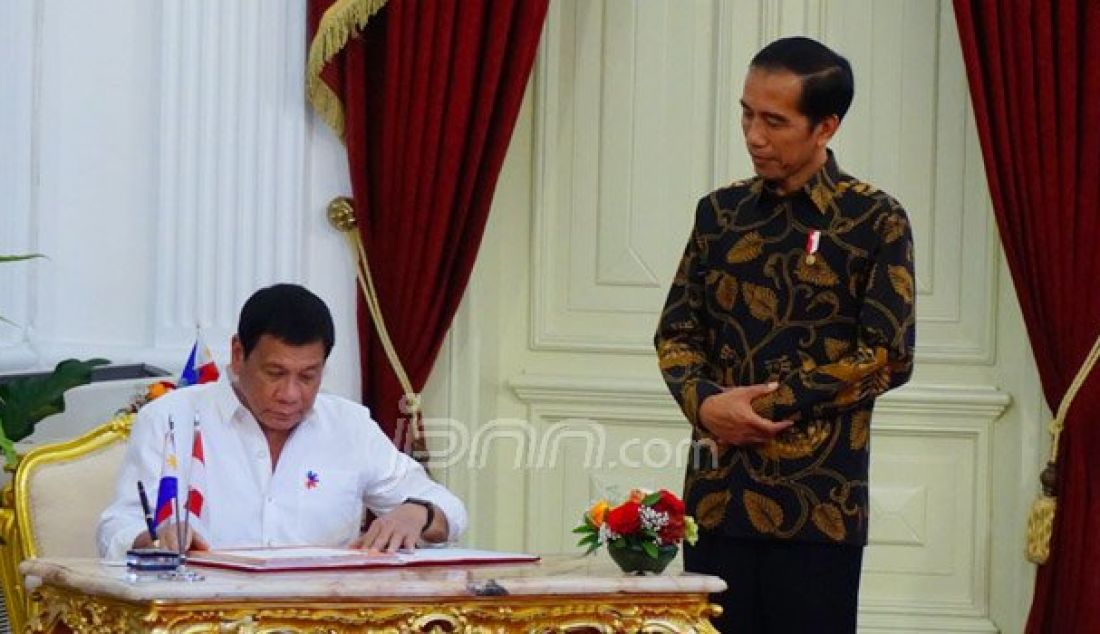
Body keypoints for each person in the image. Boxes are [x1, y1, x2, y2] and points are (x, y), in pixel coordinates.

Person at [654, 36, 915, 633]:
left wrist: (763, 407)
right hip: (716, 497)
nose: (754, 135)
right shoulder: (718, 214)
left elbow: (887, 355)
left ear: (825, 126)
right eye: (747, 113)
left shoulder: (875, 218)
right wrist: (706, 404)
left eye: (775, 121)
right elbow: (677, 332)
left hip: (819, 505)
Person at [98, 283, 467, 559]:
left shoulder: (349, 426)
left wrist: (418, 512)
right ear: (239, 355)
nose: (291, 394)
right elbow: (115, 528)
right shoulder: (171, 419)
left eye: (308, 376)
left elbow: (450, 509)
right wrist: (155, 537)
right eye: (275, 373)